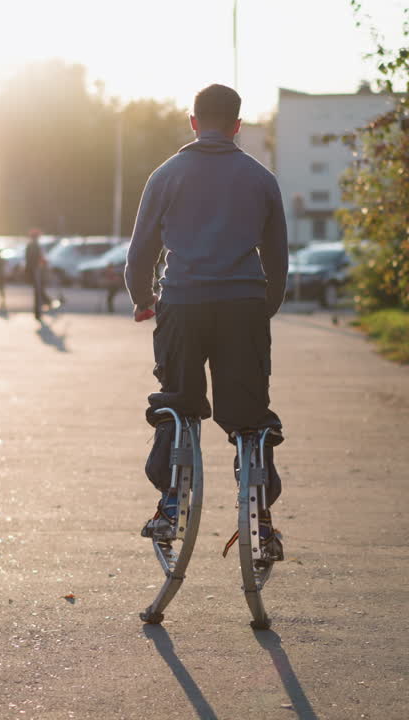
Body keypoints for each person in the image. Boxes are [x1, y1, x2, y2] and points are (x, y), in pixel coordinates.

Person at [125, 84, 289, 561]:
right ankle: (261, 518)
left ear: (193, 122)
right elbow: (277, 258)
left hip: (182, 304)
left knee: (178, 401)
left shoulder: (166, 175)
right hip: (244, 307)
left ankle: (170, 504)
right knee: (250, 416)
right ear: (237, 125)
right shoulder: (261, 179)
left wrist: (143, 299)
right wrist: (265, 306)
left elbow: (140, 253)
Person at [24, 230, 48, 321]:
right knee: (38, 291)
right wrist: (43, 262)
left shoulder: (30, 246)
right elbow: (38, 258)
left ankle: (41, 306)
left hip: (34, 270)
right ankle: (39, 311)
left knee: (38, 290)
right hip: (35, 270)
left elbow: (28, 259)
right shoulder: (34, 246)